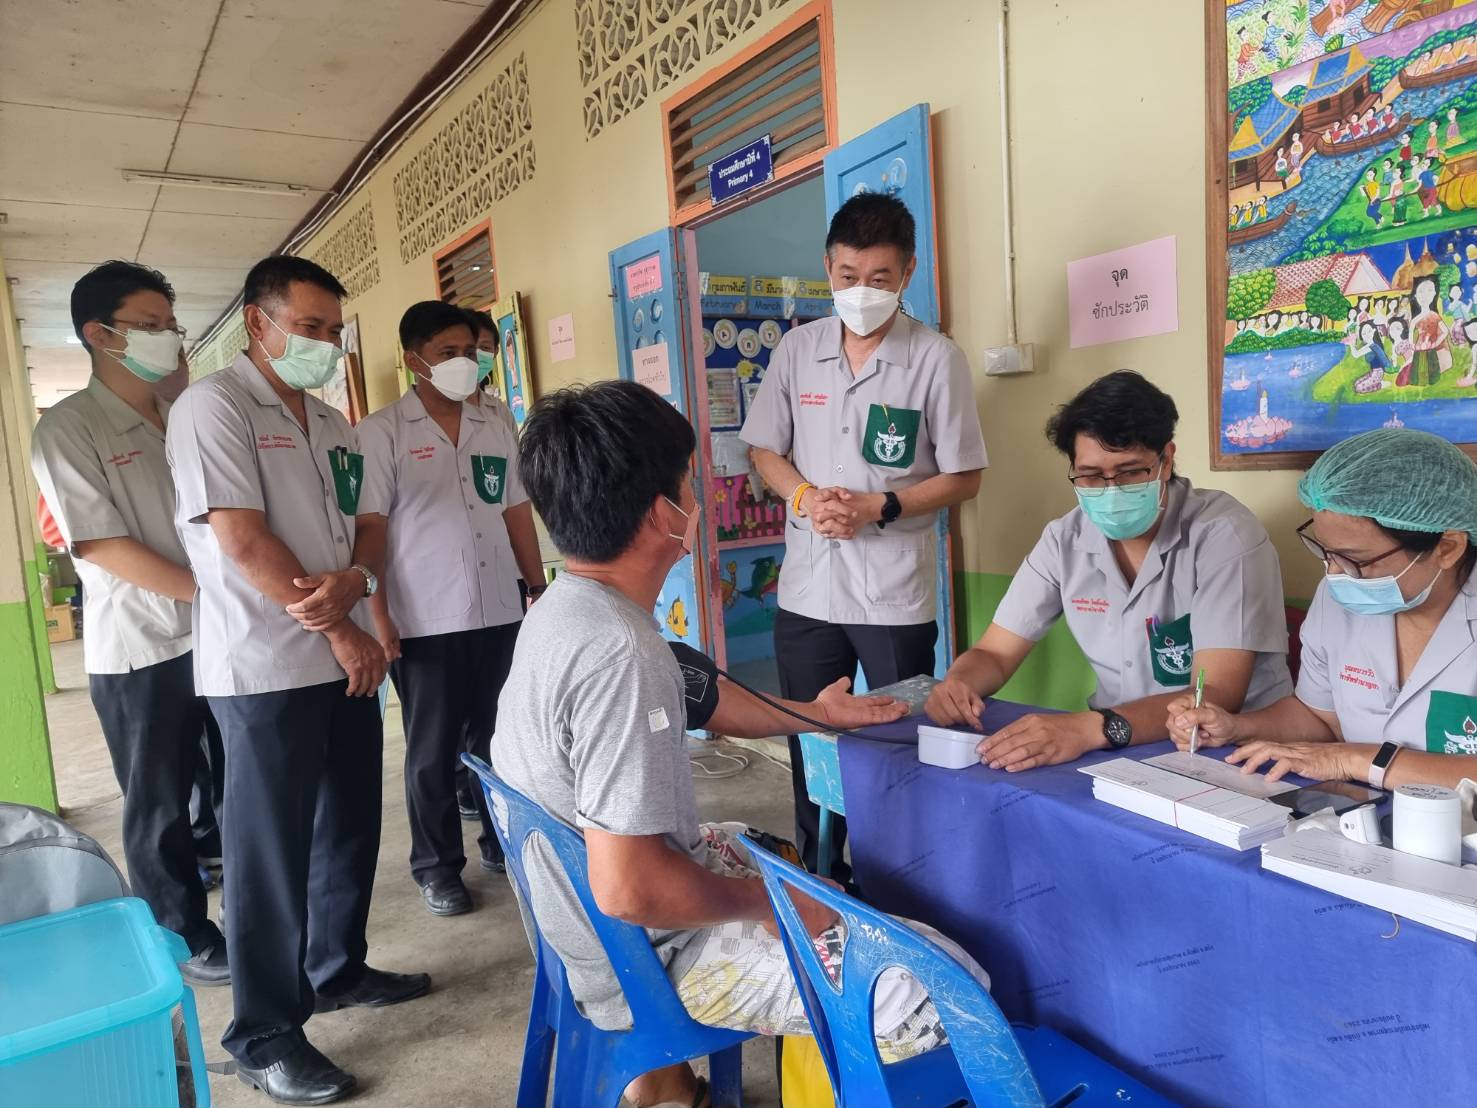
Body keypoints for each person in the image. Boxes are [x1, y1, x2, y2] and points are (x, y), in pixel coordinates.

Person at [494, 379, 990, 1108]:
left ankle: (662, 1085)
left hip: (569, 911)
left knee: (768, 847)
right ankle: (665, 1067)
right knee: (945, 983)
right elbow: (630, 888)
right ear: (663, 514)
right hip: (637, 952)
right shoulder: (620, 655)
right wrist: (775, 906)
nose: (695, 497)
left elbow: (704, 695)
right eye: (688, 482)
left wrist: (816, 715)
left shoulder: (568, 608)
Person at [166, 256, 428, 1104]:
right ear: (259, 322)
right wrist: (345, 629)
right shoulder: (214, 407)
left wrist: (359, 579)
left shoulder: (329, 421)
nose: (323, 343)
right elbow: (241, 540)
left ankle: (337, 968)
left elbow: (368, 526)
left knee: (349, 822)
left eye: (331, 330)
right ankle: (264, 1034)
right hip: (264, 667)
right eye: (308, 327)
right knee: (268, 853)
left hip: (342, 657)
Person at [740, 192, 987, 878]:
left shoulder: (935, 359)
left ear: (907, 272)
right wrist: (804, 496)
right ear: (828, 268)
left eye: (878, 278)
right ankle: (824, 872)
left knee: (898, 739)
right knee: (810, 738)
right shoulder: (798, 351)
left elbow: (965, 476)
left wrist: (881, 505)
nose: (861, 291)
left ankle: (904, 874)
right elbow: (764, 449)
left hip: (892, 595)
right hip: (807, 592)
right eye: (848, 276)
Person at [925, 371, 1292, 768]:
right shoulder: (1064, 540)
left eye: (1130, 472)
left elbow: (1217, 694)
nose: (1111, 490)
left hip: (1234, 753)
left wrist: (1090, 729)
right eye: (1091, 476)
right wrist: (959, 683)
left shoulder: (1225, 535)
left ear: (1166, 460)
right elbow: (994, 653)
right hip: (1118, 745)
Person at [30, 261, 228, 986]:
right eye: (149, 325)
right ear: (99, 333)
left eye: (170, 325)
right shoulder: (68, 428)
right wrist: (215, 597)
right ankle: (181, 934)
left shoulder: (182, 414)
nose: (168, 337)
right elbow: (102, 544)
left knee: (231, 782)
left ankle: (248, 913)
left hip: (217, 633)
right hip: (142, 646)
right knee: (159, 802)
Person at [354, 302, 546, 917]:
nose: (465, 362)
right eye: (448, 353)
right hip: (424, 620)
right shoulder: (382, 432)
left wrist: (537, 587)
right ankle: (437, 867)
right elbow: (370, 530)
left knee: (501, 740)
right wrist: (380, 617)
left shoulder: (495, 421)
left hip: (499, 610)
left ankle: (501, 843)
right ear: (414, 360)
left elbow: (516, 511)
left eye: (471, 352)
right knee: (431, 753)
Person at [1169, 429, 1477, 790]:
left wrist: (1352, 759)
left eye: (1355, 559)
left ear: (1447, 548)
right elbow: (1319, 717)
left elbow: (1346, 754)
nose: (1333, 573)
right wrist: (1236, 726)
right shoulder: (1340, 597)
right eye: (1326, 552)